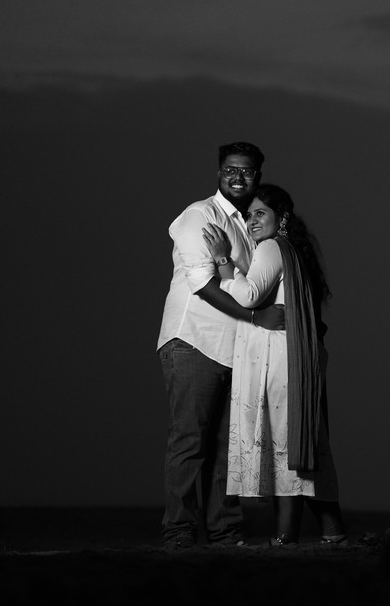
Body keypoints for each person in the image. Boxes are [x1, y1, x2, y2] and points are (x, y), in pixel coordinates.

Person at [156, 141, 285, 550]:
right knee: (190, 440)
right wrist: (254, 317)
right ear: (218, 172)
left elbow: (250, 285)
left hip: (237, 351)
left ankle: (225, 531)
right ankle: (178, 531)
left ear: (257, 176)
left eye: (246, 171)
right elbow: (202, 285)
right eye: (230, 169)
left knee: (230, 448)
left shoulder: (253, 224)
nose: (237, 177)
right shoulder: (200, 216)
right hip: (195, 340)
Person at [203, 183, 347, 546]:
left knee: (285, 443)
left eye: (260, 214)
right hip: (296, 355)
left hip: (278, 358)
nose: (252, 221)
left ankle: (285, 536)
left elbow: (251, 295)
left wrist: (224, 263)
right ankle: (332, 532)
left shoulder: (271, 248)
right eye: (249, 215)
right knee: (305, 443)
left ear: (281, 218)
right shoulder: (296, 252)